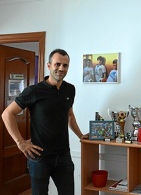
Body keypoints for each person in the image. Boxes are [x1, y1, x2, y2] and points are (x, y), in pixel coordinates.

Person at [1, 48, 88, 195]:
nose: (61, 68)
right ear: (49, 66)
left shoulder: (70, 90)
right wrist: (20, 142)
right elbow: (7, 114)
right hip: (39, 157)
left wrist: (80, 135)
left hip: (63, 156)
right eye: (57, 64)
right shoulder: (34, 91)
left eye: (65, 65)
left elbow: (69, 115)